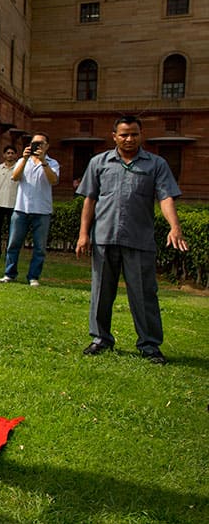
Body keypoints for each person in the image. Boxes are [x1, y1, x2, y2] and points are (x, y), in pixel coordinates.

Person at [75, 116, 187, 364]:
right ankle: (100, 339)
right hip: (104, 238)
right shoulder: (99, 163)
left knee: (144, 294)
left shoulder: (155, 165)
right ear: (114, 136)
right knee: (101, 292)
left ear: (141, 135)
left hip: (139, 239)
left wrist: (175, 227)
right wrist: (84, 234)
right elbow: (89, 200)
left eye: (134, 134)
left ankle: (149, 345)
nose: (129, 139)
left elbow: (166, 197)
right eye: (124, 134)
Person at [0, 133, 59, 286]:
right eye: (34, 143)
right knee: (13, 244)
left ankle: (33, 276)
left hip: (42, 210)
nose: (37, 146)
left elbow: (53, 180)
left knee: (39, 247)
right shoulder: (22, 161)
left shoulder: (52, 163)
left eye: (40, 143)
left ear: (47, 146)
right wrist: (24, 159)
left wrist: (44, 162)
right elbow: (15, 177)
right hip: (21, 208)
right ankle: (9, 274)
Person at [0, 145, 18, 258]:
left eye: (12, 153)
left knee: (12, 231)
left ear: (16, 155)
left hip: (13, 204)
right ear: (4, 155)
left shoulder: (19, 169)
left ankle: (9, 253)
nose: (10, 155)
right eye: (8, 153)